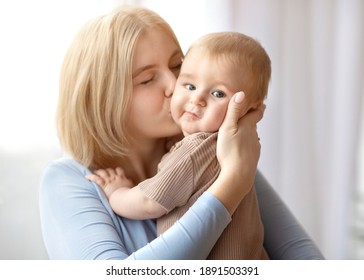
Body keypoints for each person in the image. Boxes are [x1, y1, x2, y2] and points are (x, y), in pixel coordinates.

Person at [38, 5, 264, 260]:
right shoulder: (66, 181)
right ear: (104, 100)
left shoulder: (219, 148)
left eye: (177, 65)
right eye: (147, 79)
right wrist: (234, 182)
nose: (174, 85)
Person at [86, 32, 271, 260]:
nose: (197, 99)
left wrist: (116, 192)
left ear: (249, 110)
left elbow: (148, 202)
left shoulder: (196, 149)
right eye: (190, 85)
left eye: (218, 93)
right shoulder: (231, 152)